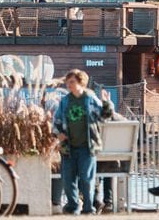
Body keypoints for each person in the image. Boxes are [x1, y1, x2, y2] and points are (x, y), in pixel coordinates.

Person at [52, 69, 115, 215]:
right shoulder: (65, 101)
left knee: (86, 179)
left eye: (72, 81)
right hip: (68, 148)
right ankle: (73, 206)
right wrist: (58, 134)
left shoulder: (90, 99)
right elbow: (56, 120)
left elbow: (104, 116)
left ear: (81, 82)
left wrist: (107, 103)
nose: (69, 84)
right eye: (67, 82)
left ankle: (88, 209)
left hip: (87, 147)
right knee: (68, 181)